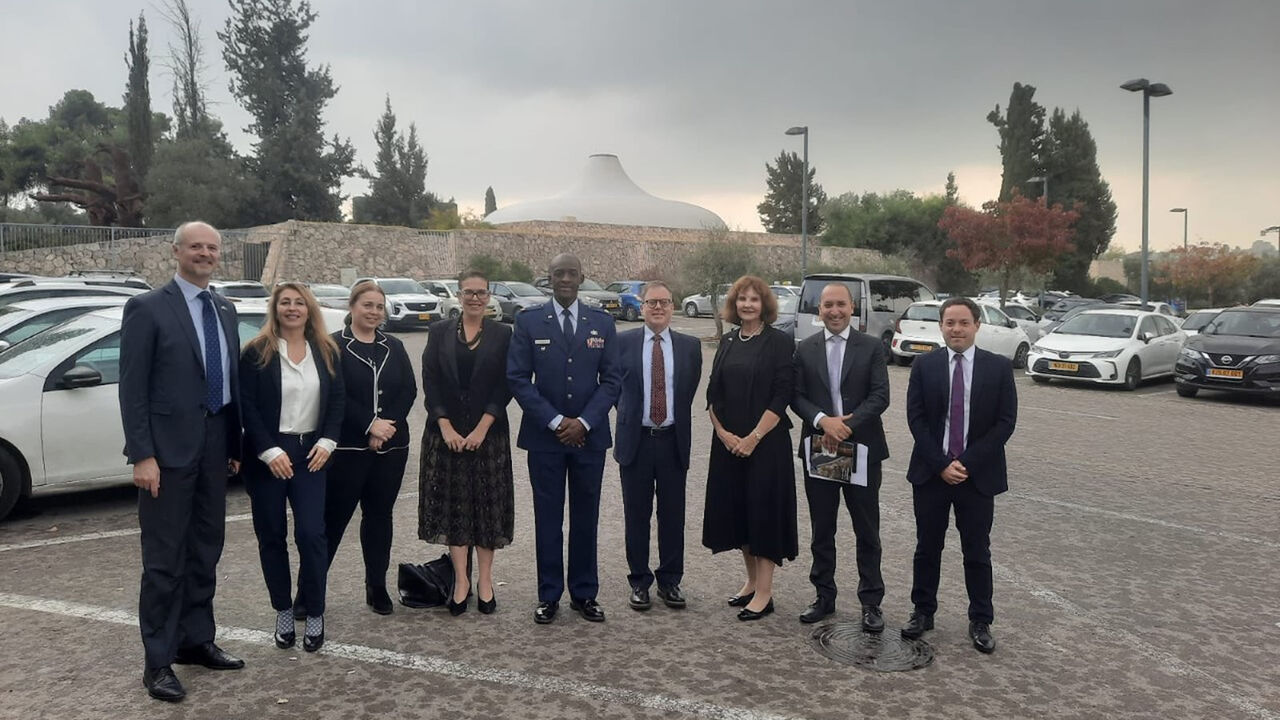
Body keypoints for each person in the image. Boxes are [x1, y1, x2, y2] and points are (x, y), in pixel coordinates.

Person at [120, 221, 245, 702]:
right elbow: (132, 388)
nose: (205, 254)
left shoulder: (225, 308)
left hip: (215, 447)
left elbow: (229, 380)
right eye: (196, 246)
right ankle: (158, 661)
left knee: (204, 551)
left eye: (212, 247)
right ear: (175, 251)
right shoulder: (148, 308)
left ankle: (196, 641)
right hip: (166, 456)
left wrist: (234, 447)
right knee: (163, 560)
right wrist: (142, 455)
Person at [507, 254, 621, 624]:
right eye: (559, 274)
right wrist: (556, 421)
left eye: (572, 273)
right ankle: (549, 595)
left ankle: (585, 594)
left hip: (589, 438)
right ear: (549, 278)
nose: (566, 279)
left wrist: (584, 422)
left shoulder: (602, 322)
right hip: (545, 438)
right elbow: (519, 378)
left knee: (586, 518)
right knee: (548, 518)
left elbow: (612, 380)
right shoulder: (527, 321)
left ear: (583, 277)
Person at [901, 296, 1017, 654]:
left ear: (977, 326)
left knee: (977, 551)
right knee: (927, 548)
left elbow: (1005, 423)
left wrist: (966, 462)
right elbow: (916, 420)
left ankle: (980, 619)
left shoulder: (998, 368)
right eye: (949, 323)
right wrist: (940, 464)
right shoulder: (925, 365)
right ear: (941, 326)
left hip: (977, 477)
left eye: (963, 323)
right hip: (932, 474)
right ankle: (923, 612)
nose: (956, 329)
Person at [240, 282, 344, 653]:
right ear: (275, 308)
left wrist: (328, 441)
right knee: (271, 536)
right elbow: (247, 406)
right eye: (285, 302)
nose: (292, 308)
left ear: (309, 309)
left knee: (312, 536)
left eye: (299, 302)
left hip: (312, 454)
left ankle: (314, 612)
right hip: (269, 456)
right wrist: (268, 449)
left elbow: (337, 401)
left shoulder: (327, 350)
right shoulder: (256, 352)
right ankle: (283, 611)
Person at [790, 282, 890, 630]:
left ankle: (871, 602)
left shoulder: (871, 347)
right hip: (822, 447)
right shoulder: (805, 349)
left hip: (860, 447)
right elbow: (796, 396)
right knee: (823, 528)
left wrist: (846, 425)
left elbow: (880, 396)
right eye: (828, 305)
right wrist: (823, 422)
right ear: (819, 310)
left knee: (867, 530)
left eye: (841, 305)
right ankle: (823, 595)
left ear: (852, 308)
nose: (834, 311)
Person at [702, 275, 797, 621]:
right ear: (734, 304)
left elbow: (782, 394)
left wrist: (753, 437)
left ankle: (766, 593)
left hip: (766, 447)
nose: (747, 305)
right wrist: (725, 434)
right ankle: (751, 582)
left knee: (763, 516)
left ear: (765, 305)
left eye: (754, 300)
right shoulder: (727, 342)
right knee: (739, 513)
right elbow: (713, 394)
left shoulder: (779, 343)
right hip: (729, 446)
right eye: (742, 299)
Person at [419, 270, 514, 616]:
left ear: (489, 297)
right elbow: (430, 380)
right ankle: (461, 581)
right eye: (468, 293)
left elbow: (506, 385)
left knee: (487, 511)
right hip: (446, 437)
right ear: (458, 296)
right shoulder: (438, 331)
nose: (475, 298)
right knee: (455, 508)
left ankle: (485, 581)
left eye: (481, 293)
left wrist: (482, 428)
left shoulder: (503, 334)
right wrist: (444, 426)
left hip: (488, 437)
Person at [323, 280, 417, 615]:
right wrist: (368, 424)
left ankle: (376, 585)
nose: (374, 312)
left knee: (379, 517)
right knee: (333, 520)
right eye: (367, 305)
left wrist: (386, 426)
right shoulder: (333, 346)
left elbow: (408, 389)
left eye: (379, 306)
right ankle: (310, 591)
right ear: (352, 307)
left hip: (390, 448)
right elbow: (333, 393)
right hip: (348, 449)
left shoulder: (395, 345)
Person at [612, 281, 702, 612]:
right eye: (652, 302)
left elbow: (688, 390)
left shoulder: (690, 346)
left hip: (672, 441)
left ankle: (670, 580)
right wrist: (627, 413)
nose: (658, 307)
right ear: (642, 306)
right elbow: (611, 385)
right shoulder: (622, 342)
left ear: (673, 306)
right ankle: (639, 582)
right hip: (635, 440)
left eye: (664, 302)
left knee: (672, 515)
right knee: (636, 516)